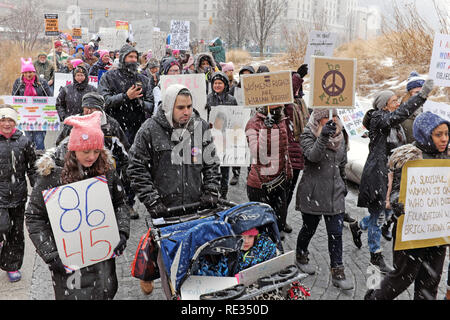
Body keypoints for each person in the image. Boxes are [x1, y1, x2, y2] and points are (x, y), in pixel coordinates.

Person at [25, 111, 130, 300]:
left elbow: (120, 203)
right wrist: (51, 254)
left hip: (102, 259)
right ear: (73, 150)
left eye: (97, 151)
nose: (92, 157)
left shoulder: (106, 170)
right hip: (68, 263)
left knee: (105, 292)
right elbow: (34, 217)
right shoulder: (51, 175)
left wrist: (121, 232)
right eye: (86, 151)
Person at [127, 84, 221, 295]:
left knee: (194, 260)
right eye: (180, 107)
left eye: (189, 106)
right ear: (170, 107)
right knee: (167, 262)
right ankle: (150, 275)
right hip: (164, 209)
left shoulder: (200, 127)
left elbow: (212, 163)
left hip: (196, 207)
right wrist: (152, 200)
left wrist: (211, 190)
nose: (186, 111)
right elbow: (135, 167)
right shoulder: (150, 129)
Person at [352, 79, 435, 274]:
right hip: (377, 176)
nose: (398, 103)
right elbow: (400, 114)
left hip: (390, 177)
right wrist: (421, 96)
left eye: (398, 100)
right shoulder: (379, 119)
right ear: (384, 105)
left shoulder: (394, 126)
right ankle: (376, 256)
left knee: (386, 213)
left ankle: (358, 226)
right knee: (378, 216)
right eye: (394, 100)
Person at [365, 111, 449, 300]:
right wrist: (397, 203)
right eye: (438, 134)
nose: (444, 139)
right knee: (402, 278)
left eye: (446, 133)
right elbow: (395, 190)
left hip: (437, 232)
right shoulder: (409, 157)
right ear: (425, 134)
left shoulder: (447, 158)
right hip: (413, 231)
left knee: (430, 283)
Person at [294, 109, 353, 290]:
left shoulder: (342, 134)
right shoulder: (308, 134)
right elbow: (313, 156)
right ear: (318, 119)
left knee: (336, 233)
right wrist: (323, 137)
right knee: (309, 228)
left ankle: (338, 270)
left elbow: (342, 162)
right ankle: (301, 253)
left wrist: (343, 184)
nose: (332, 120)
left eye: (334, 117)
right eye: (327, 117)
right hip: (313, 191)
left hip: (335, 193)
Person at [55, 92, 138, 219]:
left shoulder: (111, 125)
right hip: (77, 170)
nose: (88, 111)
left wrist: (125, 171)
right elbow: (60, 146)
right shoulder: (75, 122)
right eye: (85, 108)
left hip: (102, 171)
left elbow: (124, 150)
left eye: (92, 108)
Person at [0, 105, 36, 283]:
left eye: (10, 120)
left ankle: (12, 265)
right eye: (3, 119)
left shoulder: (24, 141)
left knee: (15, 233)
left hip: (18, 195)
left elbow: (33, 168)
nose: (6, 123)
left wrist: (38, 190)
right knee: (2, 226)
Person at [246, 105, 292, 239]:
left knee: (279, 224)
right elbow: (257, 154)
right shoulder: (253, 123)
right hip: (261, 185)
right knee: (263, 230)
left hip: (279, 182)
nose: (279, 107)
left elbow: (284, 149)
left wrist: (288, 171)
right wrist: (266, 130)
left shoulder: (281, 119)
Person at [98, 43, 154, 145]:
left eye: (135, 57)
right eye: (130, 56)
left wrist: (140, 102)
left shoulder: (144, 80)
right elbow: (104, 101)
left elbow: (151, 105)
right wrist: (125, 97)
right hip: (114, 129)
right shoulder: (109, 77)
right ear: (123, 58)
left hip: (137, 130)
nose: (133, 60)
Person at [283, 72, 310, 233]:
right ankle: (277, 222)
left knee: (290, 192)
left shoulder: (302, 104)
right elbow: (286, 95)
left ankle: (282, 219)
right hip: (287, 155)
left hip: (298, 155)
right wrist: (297, 77)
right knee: (283, 192)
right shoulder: (286, 105)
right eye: (295, 85)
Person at [205, 71, 238, 199]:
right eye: (215, 83)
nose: (217, 85)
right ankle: (211, 192)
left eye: (220, 83)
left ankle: (223, 194)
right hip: (211, 138)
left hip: (226, 139)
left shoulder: (231, 99)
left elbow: (236, 117)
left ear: (225, 84)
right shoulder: (208, 99)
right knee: (211, 168)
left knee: (225, 169)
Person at [12, 58, 52, 151]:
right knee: (28, 140)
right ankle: (28, 161)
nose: (28, 75)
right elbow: (14, 98)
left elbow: (49, 97)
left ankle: (39, 161)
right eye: (25, 73)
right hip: (25, 116)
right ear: (23, 73)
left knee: (39, 140)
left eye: (30, 72)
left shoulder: (42, 82)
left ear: (34, 72)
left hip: (40, 116)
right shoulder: (18, 83)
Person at [229, 65, 256, 185]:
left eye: (248, 74)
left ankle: (250, 174)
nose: (245, 77)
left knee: (251, 151)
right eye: (243, 75)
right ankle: (236, 174)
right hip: (238, 124)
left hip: (253, 124)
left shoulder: (257, 89)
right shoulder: (234, 89)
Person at [401, 71, 426, 144]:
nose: (421, 95)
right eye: (417, 92)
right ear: (409, 93)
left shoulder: (430, 109)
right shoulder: (401, 112)